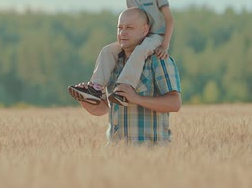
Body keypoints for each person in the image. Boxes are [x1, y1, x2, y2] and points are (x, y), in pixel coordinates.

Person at [69, 0, 174, 106]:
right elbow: (132, 18)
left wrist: (164, 45)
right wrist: (126, 36)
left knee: (141, 50)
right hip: (139, 35)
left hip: (155, 36)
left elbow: (169, 19)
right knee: (107, 50)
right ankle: (96, 88)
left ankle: (124, 89)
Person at [68, 8, 181, 144]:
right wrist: (85, 100)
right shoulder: (111, 62)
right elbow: (104, 109)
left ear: (145, 30)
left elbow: (175, 103)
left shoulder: (159, 60)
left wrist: (136, 98)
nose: (122, 33)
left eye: (129, 28)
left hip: (151, 154)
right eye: (120, 28)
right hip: (116, 153)